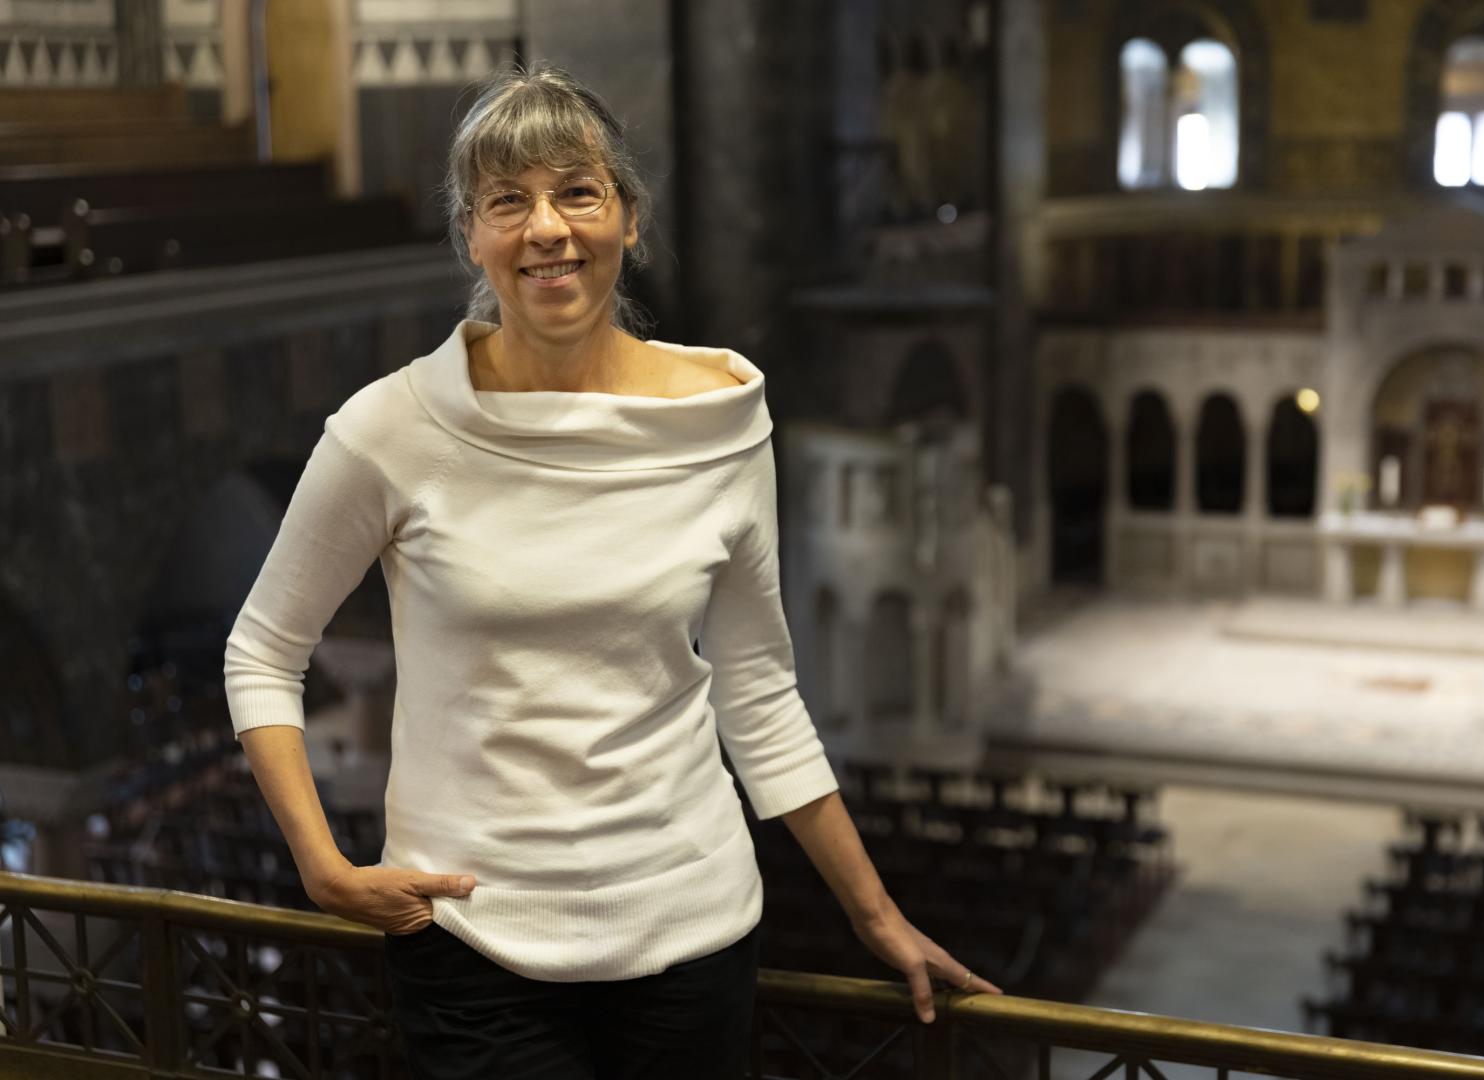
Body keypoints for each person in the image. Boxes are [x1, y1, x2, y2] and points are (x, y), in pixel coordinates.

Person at [222, 61, 999, 1080]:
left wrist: (876, 914)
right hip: (472, 939)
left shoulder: (719, 419)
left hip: (690, 929)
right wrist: (322, 867)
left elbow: (759, 693)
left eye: (576, 193)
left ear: (628, 220)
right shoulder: (390, 429)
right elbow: (262, 651)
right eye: (509, 201)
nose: (546, 228)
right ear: (473, 237)